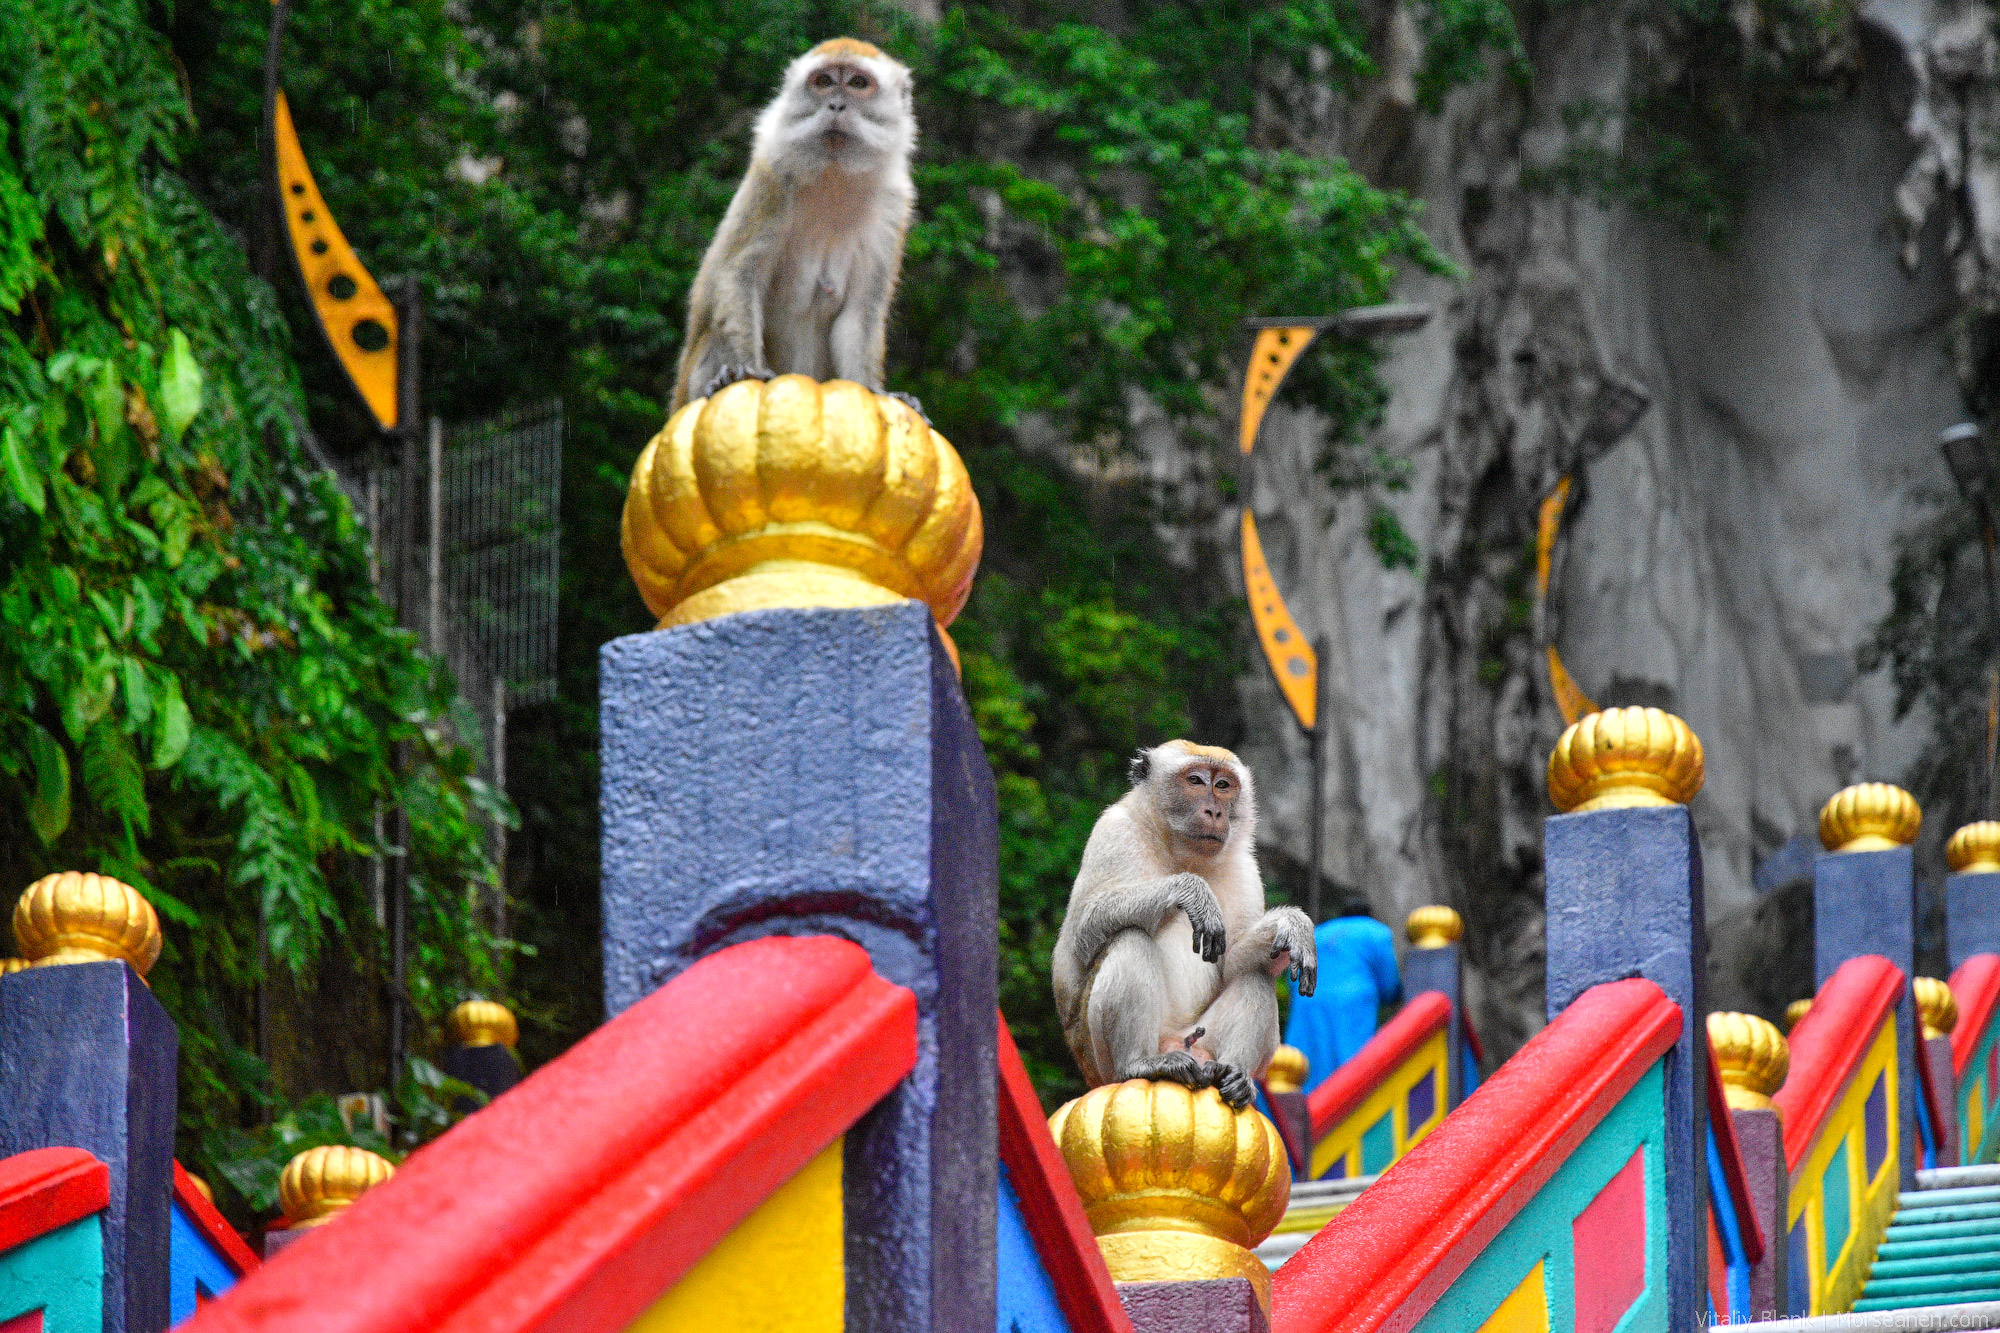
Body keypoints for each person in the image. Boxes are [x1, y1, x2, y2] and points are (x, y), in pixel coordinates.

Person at [1282, 894, 1402, 1095]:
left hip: (1307, 1003)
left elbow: (1291, 979)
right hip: (1351, 1003)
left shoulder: (1317, 934)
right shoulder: (1376, 932)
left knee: (1303, 1066)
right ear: (1369, 915)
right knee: (1350, 1065)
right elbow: (1389, 985)